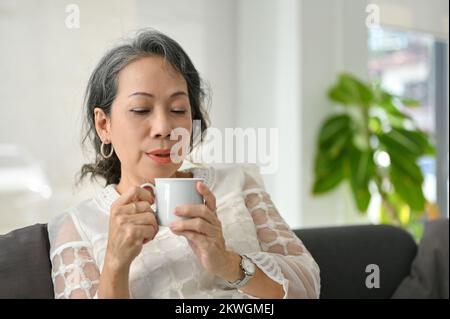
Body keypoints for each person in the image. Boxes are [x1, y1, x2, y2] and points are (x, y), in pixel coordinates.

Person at [47, 29, 320, 299]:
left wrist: (227, 263)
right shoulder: (77, 227)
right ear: (104, 124)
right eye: (141, 109)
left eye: (178, 110)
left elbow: (307, 289)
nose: (164, 127)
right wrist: (116, 264)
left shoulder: (237, 184)